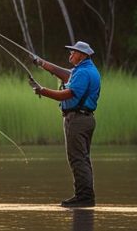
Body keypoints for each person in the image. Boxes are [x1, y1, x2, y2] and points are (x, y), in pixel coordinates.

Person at [28, 41, 101, 208]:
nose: (70, 55)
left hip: (77, 120)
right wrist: (41, 63)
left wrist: (42, 91)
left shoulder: (83, 73)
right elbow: (65, 74)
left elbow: (67, 94)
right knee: (82, 159)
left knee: (77, 159)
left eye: (73, 52)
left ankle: (84, 197)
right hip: (84, 119)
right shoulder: (86, 70)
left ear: (81, 55)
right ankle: (85, 196)